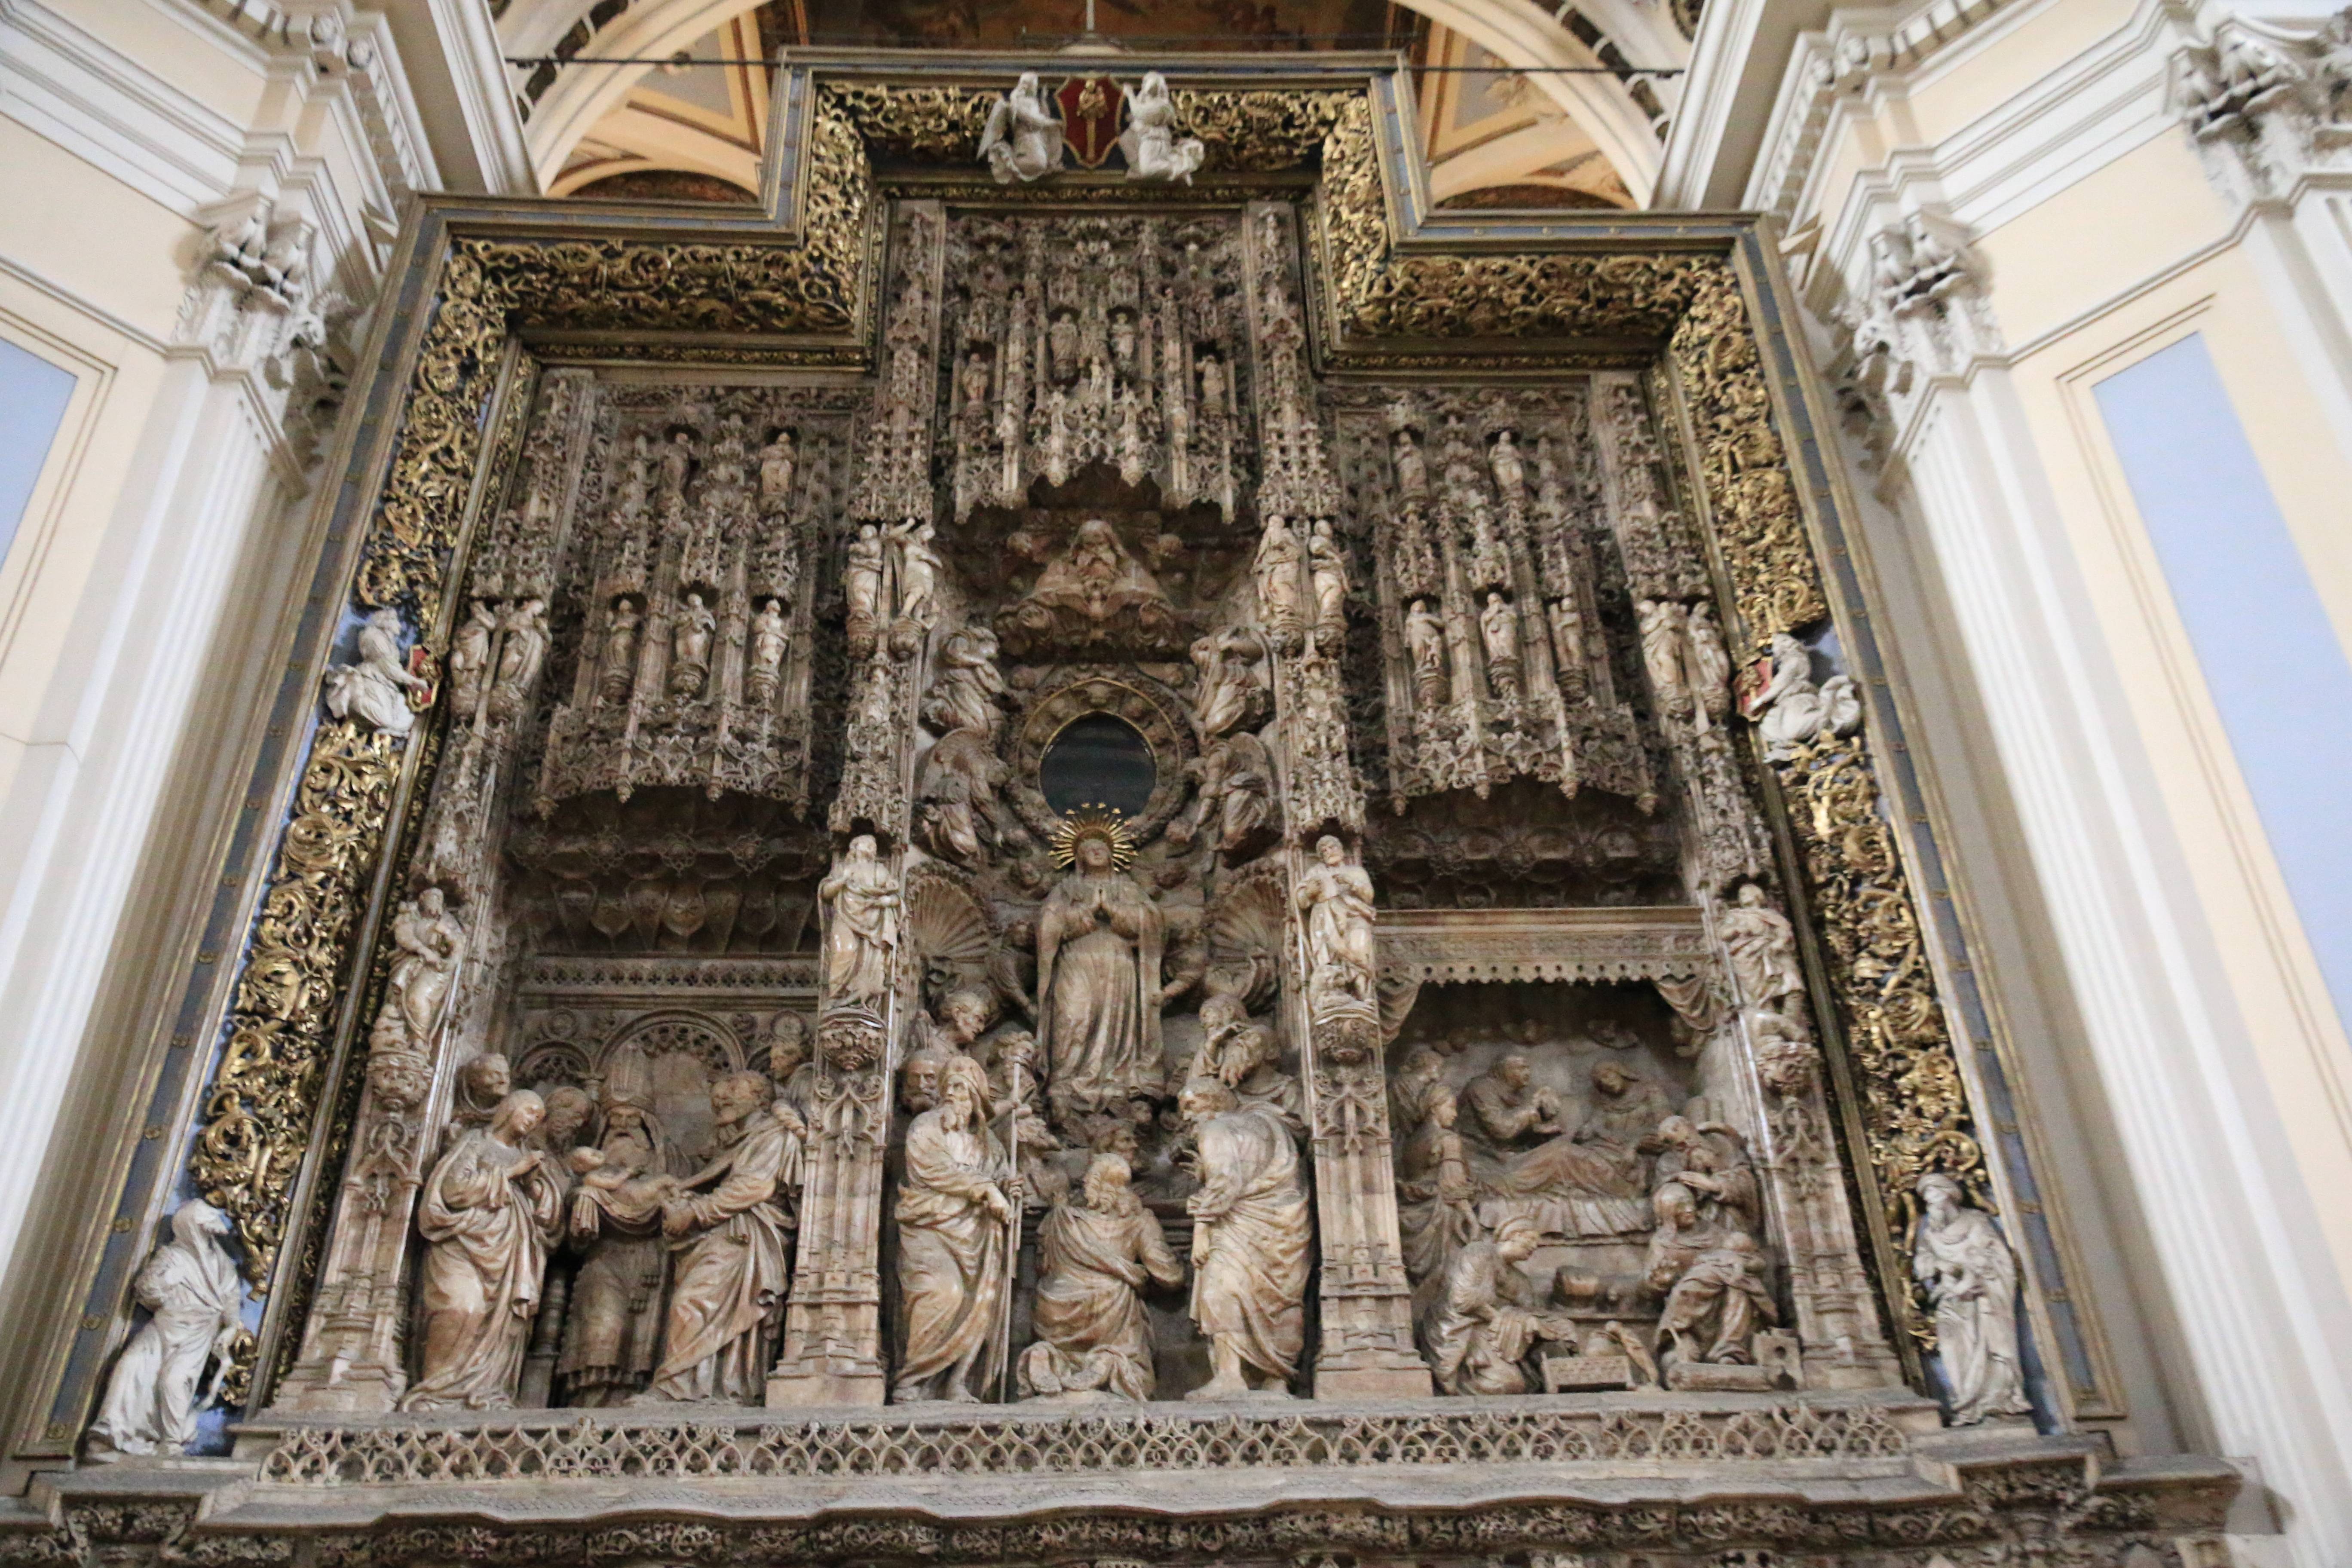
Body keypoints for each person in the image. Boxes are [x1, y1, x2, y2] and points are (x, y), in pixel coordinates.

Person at [637, 1072, 794, 1404]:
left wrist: (694, 1212)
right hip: (728, 1233)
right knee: (696, 1303)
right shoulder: (741, 1141)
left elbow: (754, 1187)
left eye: (734, 1089)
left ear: (760, 1098)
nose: (722, 1096)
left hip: (747, 1238)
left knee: (692, 1303)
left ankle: (686, 1388)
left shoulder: (774, 1136)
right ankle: (702, 1387)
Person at [401, 1092, 562, 1410]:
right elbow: (453, 1189)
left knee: (504, 1326)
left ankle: (486, 1392)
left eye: (538, 1118)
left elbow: (547, 1214)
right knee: (461, 1307)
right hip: (463, 1241)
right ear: (510, 1109)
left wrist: (532, 1185)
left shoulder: (526, 1154)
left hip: (509, 1253)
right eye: (529, 1112)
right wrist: (512, 1173)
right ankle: (435, 1392)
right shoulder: (476, 1142)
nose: (532, 1121)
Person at [1181, 1077, 1311, 1400]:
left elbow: (1226, 1182)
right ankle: (1277, 1379)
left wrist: (1202, 1227)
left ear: (1214, 1101)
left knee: (1221, 1286)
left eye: (1191, 1105)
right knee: (1279, 1297)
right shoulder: (1273, 1126)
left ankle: (1230, 1375)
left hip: (1239, 1222)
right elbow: (1261, 1174)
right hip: (1286, 1224)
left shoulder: (1216, 1129)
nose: (1186, 1116)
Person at [894, 1055, 1014, 1403]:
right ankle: (913, 1379)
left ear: (975, 1096)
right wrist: (987, 1189)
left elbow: (999, 1174)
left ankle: (958, 1381)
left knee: (980, 1303)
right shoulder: (926, 1127)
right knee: (941, 1292)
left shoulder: (989, 1142)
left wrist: (1006, 1186)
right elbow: (935, 1169)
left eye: (961, 1088)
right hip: (930, 1228)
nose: (951, 1094)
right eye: (948, 1087)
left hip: (977, 1235)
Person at [1017, 1153, 1183, 1402]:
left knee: (1059, 1351)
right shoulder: (1139, 1221)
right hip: (1111, 1308)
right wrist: (1180, 1263)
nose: (1084, 1183)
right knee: (1129, 1362)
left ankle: (1045, 1356)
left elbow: (1043, 1265)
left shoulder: (1061, 1218)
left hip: (1054, 1306)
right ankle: (1110, 1363)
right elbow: (1169, 1276)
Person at [86, 1202, 242, 1457]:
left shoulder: (222, 1264)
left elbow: (231, 1300)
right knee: (130, 1365)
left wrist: (231, 1327)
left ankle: (171, 1442)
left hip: (199, 1331)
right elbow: (146, 1292)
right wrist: (167, 1281)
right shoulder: (171, 1256)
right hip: (164, 1325)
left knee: (174, 1380)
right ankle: (112, 1432)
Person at [1036, 820, 1166, 1117]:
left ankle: (1115, 1082)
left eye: (1102, 848)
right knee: (1073, 1016)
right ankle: (1065, 1081)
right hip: (1076, 960)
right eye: (1089, 849)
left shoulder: (1128, 888)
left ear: (1112, 854)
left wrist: (1113, 910)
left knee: (1115, 1021)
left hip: (1118, 962)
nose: (1096, 852)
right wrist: (1088, 911)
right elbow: (1048, 924)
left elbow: (1152, 923)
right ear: (1079, 858)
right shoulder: (1067, 888)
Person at [1914, 1173, 2033, 1424]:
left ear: (1948, 1194)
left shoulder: (1975, 1221)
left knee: (1990, 1345)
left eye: (1933, 1194)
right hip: (1950, 1300)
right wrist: (1939, 1265)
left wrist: (1971, 1276)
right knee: (1952, 1348)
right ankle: (1966, 1401)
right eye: (1926, 1197)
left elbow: (1995, 1257)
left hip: (1981, 1296)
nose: (1930, 1201)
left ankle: (1995, 1400)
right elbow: (1922, 1261)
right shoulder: (1930, 1231)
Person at [1424, 1216, 1571, 1396]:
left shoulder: (1520, 1280)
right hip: (1461, 1328)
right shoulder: (1479, 1253)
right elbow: (1463, 1300)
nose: (1535, 1246)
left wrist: (1547, 1325)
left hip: (1495, 1333)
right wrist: (1506, 1320)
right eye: (1531, 1239)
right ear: (1515, 1235)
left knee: (1559, 1331)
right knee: (1505, 1384)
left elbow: (1529, 1312)